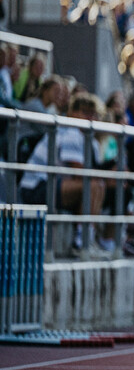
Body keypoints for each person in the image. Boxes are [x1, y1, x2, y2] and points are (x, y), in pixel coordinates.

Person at [18, 93, 106, 257]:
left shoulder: (90, 140)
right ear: (73, 112)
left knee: (98, 185)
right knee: (94, 185)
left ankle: (88, 240)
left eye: (94, 114)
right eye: (85, 112)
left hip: (54, 185)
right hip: (35, 187)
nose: (90, 118)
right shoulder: (69, 132)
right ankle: (81, 243)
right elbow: (80, 175)